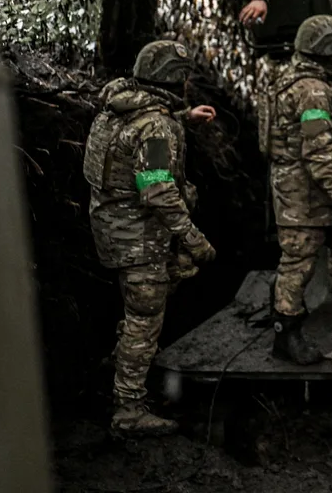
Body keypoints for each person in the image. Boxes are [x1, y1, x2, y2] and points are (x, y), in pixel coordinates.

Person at [83, 40, 218, 436]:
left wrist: (183, 117)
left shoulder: (118, 106)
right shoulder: (156, 126)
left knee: (143, 306)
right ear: (176, 80)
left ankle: (123, 365)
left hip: (112, 228)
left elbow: (136, 139)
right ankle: (128, 409)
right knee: (145, 318)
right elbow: (157, 188)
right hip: (140, 237)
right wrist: (193, 238)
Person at [266, 14, 332, 365]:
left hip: (308, 186)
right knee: (298, 263)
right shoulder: (311, 89)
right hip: (302, 192)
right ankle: (285, 335)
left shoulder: (290, 78)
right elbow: (318, 149)